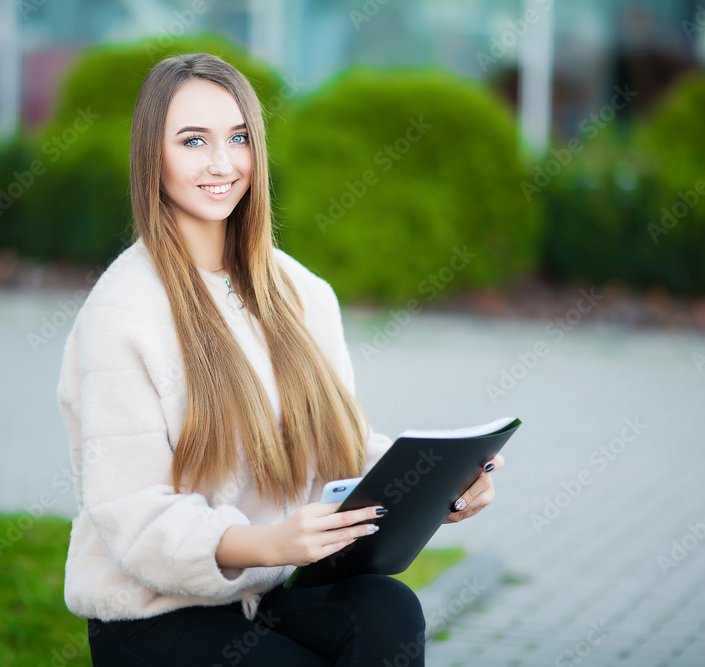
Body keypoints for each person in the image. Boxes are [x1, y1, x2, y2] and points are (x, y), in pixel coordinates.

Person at [56, 52, 505, 667]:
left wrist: (435, 484)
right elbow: (132, 517)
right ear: (151, 158)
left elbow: (338, 450)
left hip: (263, 593)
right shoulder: (122, 312)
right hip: (155, 618)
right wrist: (265, 543)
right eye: (193, 141)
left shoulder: (302, 294)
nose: (222, 163)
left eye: (239, 137)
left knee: (389, 610)